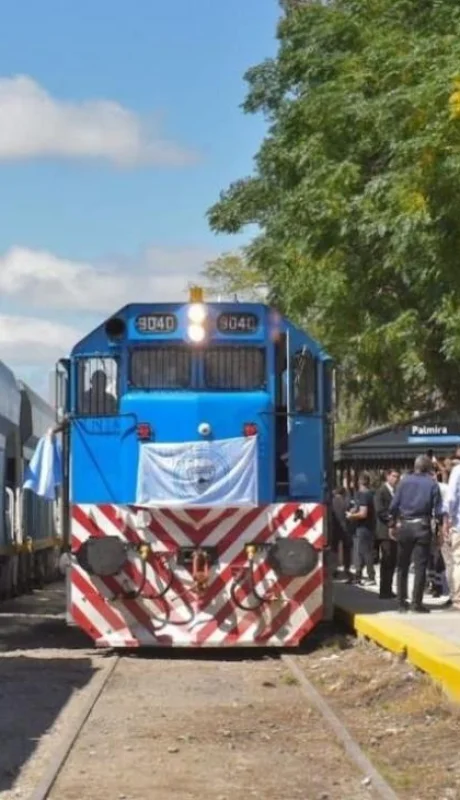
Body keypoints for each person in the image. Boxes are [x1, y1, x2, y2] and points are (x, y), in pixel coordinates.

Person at [389, 454, 445, 613]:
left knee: (402, 566)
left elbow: (393, 506)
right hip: (422, 527)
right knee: (420, 567)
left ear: (415, 467)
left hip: (404, 526)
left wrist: (392, 524)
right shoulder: (432, 484)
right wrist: (440, 530)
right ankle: (416, 603)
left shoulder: (403, 482)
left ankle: (400, 603)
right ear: (428, 468)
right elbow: (438, 510)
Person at [346, 471, 376, 585]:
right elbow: (360, 508)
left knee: (365, 552)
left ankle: (370, 576)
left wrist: (351, 515)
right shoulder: (369, 494)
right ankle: (357, 576)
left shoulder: (364, 495)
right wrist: (354, 510)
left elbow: (363, 513)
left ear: (359, 481)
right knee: (360, 553)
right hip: (366, 527)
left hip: (364, 528)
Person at [374, 468, 400, 599]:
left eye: (397, 476)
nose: (396, 479)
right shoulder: (381, 492)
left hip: (394, 532)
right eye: (394, 476)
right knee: (386, 560)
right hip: (385, 532)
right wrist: (391, 522)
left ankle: (388, 589)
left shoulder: (395, 491)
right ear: (387, 476)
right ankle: (384, 591)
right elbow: (380, 510)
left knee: (392, 561)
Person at [443, 453, 460, 612]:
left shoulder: (457, 471)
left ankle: (458, 601)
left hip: (459, 525)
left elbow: (451, 499)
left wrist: (448, 521)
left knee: (458, 562)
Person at [331, 487, 353, 581]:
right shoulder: (346, 501)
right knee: (347, 550)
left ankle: (334, 569)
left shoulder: (332, 501)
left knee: (334, 550)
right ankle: (347, 569)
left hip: (335, 529)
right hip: (346, 529)